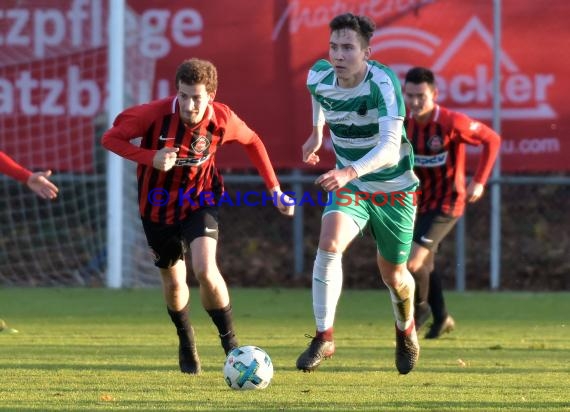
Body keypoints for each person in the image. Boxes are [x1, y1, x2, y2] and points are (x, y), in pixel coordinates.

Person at [101, 58, 294, 374]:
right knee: (176, 283)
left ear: (211, 96)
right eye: (184, 95)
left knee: (205, 268)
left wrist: (274, 189)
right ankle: (186, 339)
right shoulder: (153, 115)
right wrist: (150, 157)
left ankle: (232, 347)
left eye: (197, 97)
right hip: (157, 206)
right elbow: (110, 138)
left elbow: (252, 141)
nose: (189, 104)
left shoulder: (222, 119)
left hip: (199, 200)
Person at [296, 13, 420, 375]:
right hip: (352, 186)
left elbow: (389, 145)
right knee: (329, 244)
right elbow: (318, 96)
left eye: (348, 47)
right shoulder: (318, 74)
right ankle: (324, 337)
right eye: (334, 46)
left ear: (367, 51)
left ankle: (405, 328)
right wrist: (317, 131)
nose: (338, 54)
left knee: (394, 275)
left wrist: (348, 170)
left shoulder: (382, 82)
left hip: (394, 189)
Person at [403, 67, 501, 339]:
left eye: (420, 96)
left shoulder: (450, 122)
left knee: (413, 263)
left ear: (434, 94)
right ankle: (443, 316)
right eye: (409, 95)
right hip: (419, 203)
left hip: (448, 203)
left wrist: (479, 180)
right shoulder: (404, 125)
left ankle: (421, 310)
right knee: (423, 265)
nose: (414, 102)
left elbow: (492, 139)